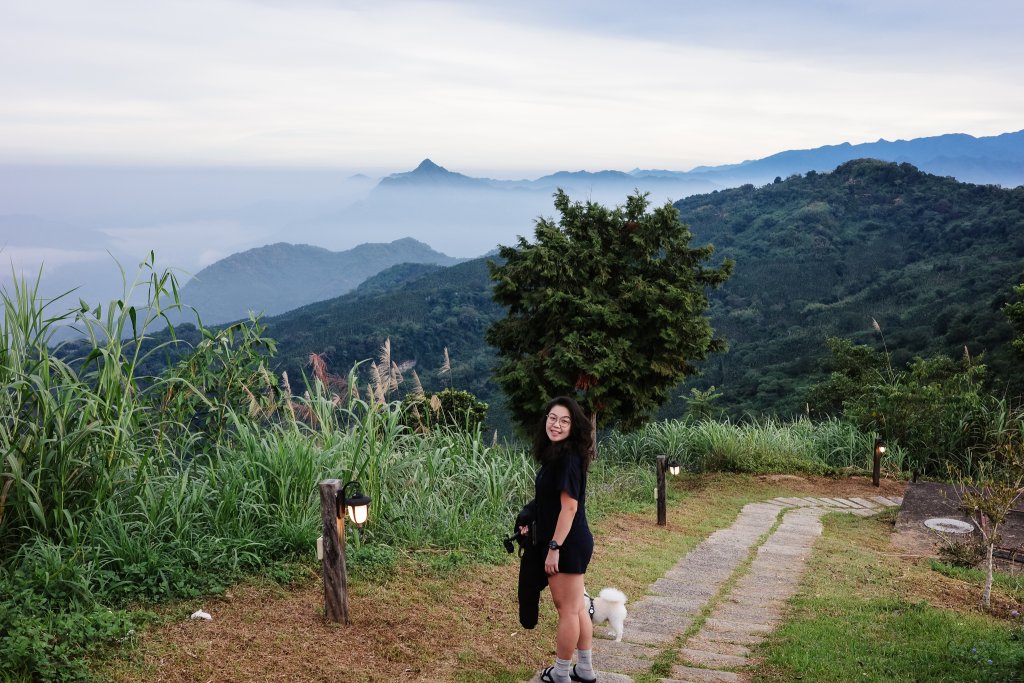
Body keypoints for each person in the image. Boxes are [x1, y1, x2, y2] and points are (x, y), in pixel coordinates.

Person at [522, 396, 596, 683]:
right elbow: (551, 502)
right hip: (574, 540)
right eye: (553, 418)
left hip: (566, 543)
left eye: (564, 420)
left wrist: (553, 548)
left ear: (573, 426)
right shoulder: (561, 455)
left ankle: (561, 672)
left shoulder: (566, 459)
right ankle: (585, 668)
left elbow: (569, 507)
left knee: (567, 609)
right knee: (577, 607)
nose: (557, 424)